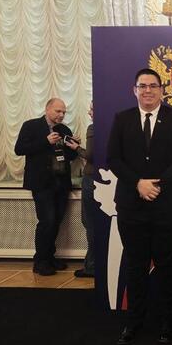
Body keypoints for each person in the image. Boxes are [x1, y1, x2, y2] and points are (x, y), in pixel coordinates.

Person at [107, 68, 172, 345]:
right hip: (132, 205)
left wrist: (156, 184)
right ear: (134, 90)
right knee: (136, 264)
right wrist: (138, 184)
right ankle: (133, 322)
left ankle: (168, 322)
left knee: (168, 265)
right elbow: (113, 159)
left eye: (153, 86)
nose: (147, 91)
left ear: (162, 90)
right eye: (142, 86)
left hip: (168, 204)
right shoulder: (122, 119)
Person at [14, 98, 80, 276]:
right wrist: (45, 141)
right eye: (58, 111)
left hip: (61, 182)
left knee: (56, 221)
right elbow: (19, 149)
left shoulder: (64, 130)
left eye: (64, 112)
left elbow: (70, 157)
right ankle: (40, 261)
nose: (61, 115)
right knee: (47, 221)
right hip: (42, 183)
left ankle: (50, 257)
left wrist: (75, 147)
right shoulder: (31, 126)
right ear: (47, 109)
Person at [74, 102, 95, 278]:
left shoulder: (93, 128)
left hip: (92, 179)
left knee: (90, 222)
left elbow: (91, 155)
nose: (89, 112)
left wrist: (76, 148)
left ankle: (92, 266)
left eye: (92, 109)